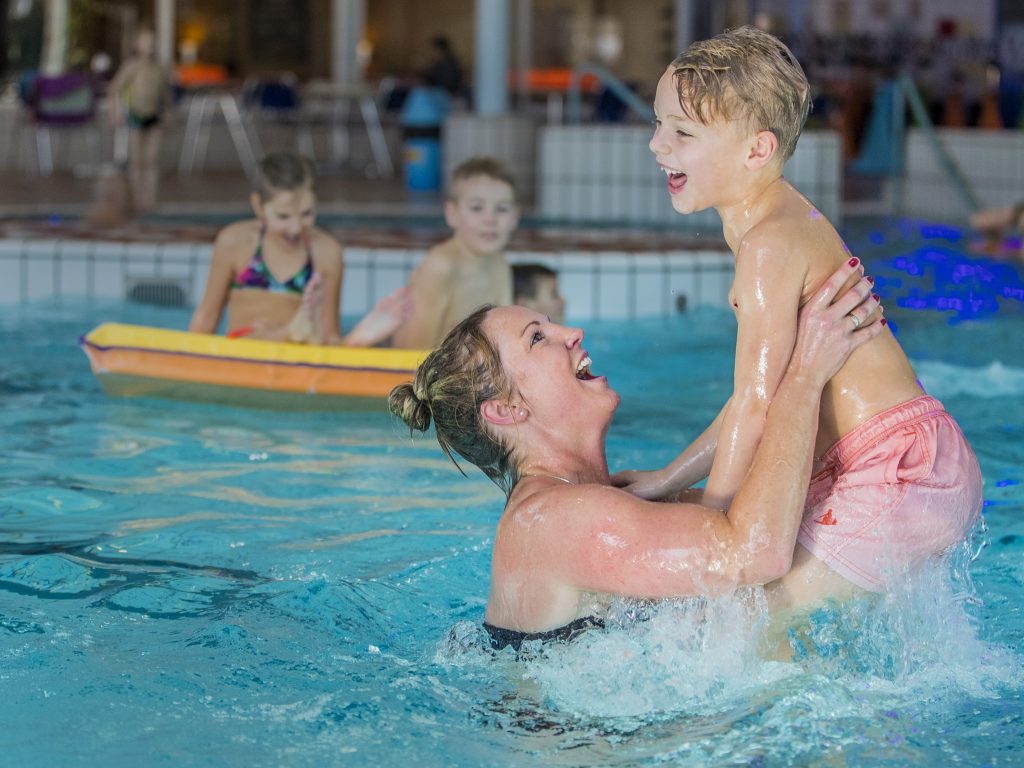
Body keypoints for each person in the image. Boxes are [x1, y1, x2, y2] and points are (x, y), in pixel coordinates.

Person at [613, 26, 983, 609]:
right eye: (659, 124)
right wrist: (665, 480)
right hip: (902, 458)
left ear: (756, 151)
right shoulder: (771, 223)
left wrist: (719, 526)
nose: (658, 146)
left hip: (898, 470)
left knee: (756, 611)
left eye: (682, 132)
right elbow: (757, 399)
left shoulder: (768, 245)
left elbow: (758, 406)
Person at [390, 261, 937, 650]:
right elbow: (754, 553)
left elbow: (759, 511)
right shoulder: (550, 520)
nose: (571, 332)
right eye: (539, 338)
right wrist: (805, 376)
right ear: (506, 410)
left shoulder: (590, 505)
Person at [189, 151, 410, 346]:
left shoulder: (326, 252)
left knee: (316, 339)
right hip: (244, 352)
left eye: (306, 214)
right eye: (283, 216)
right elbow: (206, 319)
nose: (295, 228)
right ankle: (296, 332)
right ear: (258, 206)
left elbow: (329, 334)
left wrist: (336, 343)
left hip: (296, 363)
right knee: (258, 335)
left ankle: (349, 339)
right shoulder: (235, 242)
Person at [392, 157, 518, 349]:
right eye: (477, 208)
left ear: (514, 217)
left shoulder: (500, 264)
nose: (490, 219)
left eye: (501, 209)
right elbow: (412, 350)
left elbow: (506, 337)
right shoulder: (441, 266)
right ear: (452, 214)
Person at [108, 26, 172, 212]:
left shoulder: (159, 68)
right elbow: (114, 89)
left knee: (152, 158)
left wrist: (168, 112)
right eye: (145, 42)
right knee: (136, 159)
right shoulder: (132, 66)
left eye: (152, 41)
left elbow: (165, 94)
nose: (149, 46)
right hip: (136, 115)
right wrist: (115, 112)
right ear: (136, 45)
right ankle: (136, 196)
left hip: (154, 115)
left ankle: (150, 197)